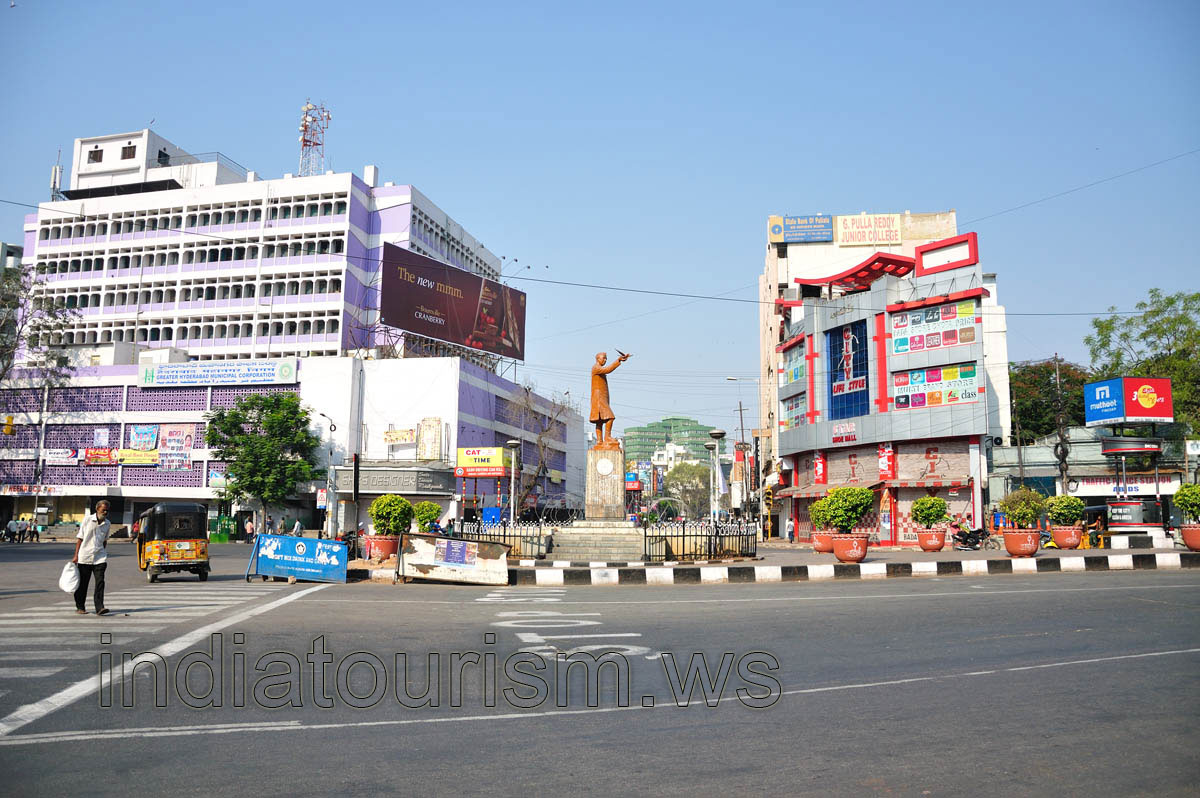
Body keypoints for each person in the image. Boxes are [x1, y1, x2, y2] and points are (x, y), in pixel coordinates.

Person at [73, 500, 112, 616]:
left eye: (107, 510)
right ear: (97, 509)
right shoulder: (87, 520)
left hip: (99, 558)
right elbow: (80, 538)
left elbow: (105, 540)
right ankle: (80, 606)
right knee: (83, 583)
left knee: (100, 582)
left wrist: (103, 552)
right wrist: (76, 555)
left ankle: (99, 607)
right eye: (103, 510)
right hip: (85, 556)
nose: (105, 512)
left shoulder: (108, 523)